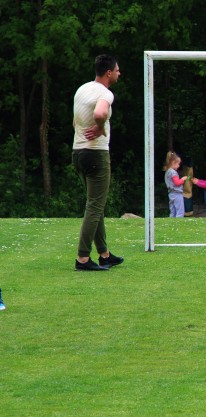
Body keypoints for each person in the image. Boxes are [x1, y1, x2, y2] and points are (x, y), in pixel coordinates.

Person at [72, 54, 125, 271]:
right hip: (96, 154)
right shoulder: (105, 93)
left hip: (78, 152)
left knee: (96, 204)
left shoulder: (82, 89)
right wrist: (101, 125)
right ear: (109, 73)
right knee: (94, 206)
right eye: (118, 70)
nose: (119, 73)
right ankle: (83, 258)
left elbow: (74, 120)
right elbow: (100, 112)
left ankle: (104, 254)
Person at [163, 151, 187, 218]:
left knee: (172, 211)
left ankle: (171, 223)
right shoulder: (173, 172)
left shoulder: (167, 171)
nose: (179, 166)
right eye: (178, 164)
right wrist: (183, 179)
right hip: (177, 194)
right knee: (180, 211)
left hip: (171, 194)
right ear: (173, 162)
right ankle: (179, 223)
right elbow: (177, 183)